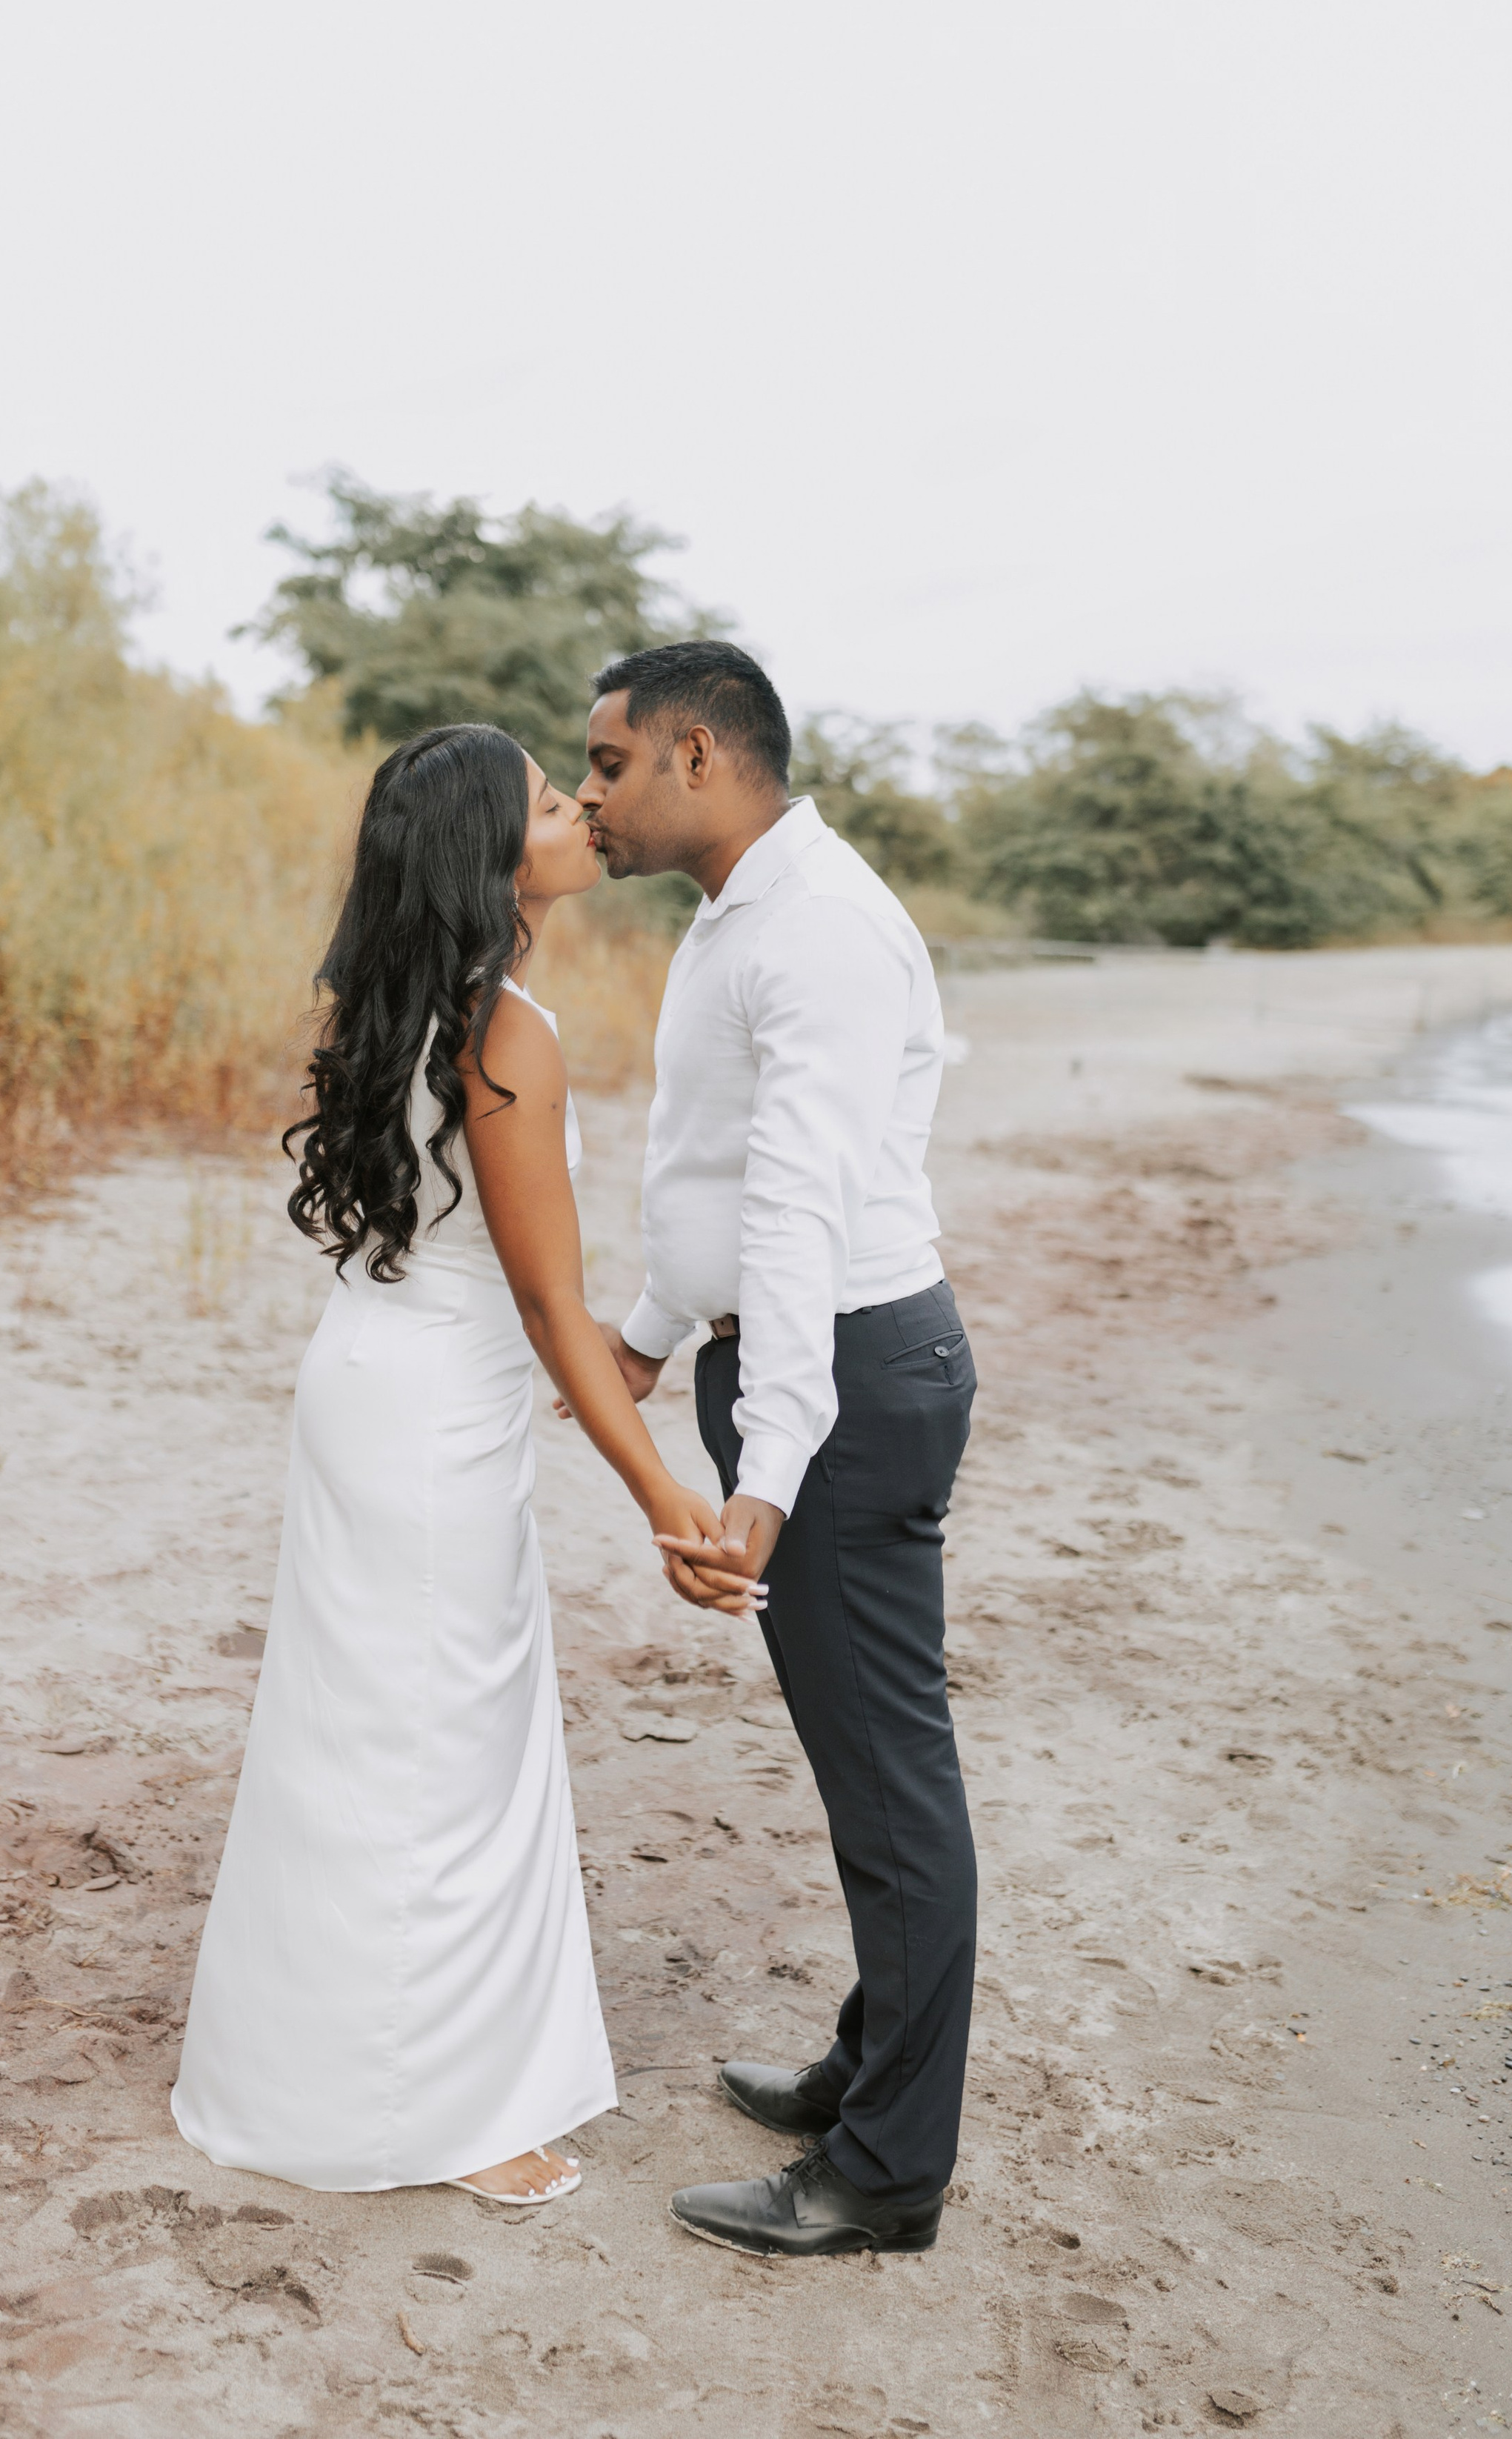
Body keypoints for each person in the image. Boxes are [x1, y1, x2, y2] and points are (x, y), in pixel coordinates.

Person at [171, 723, 756, 2209]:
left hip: (371, 1385)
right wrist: (664, 1498)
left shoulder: (416, 1007)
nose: (579, 808)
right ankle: (435, 2111)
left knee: (356, 1739)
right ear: (489, 857)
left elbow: (524, 1301)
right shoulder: (508, 1030)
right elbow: (553, 1304)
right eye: (550, 801)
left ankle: (332, 2066)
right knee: (436, 1750)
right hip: (426, 1423)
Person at [573, 642, 979, 2258]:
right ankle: (863, 2071)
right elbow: (720, 1169)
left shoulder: (810, 927)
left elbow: (801, 1215)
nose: (587, 795)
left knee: (891, 1788)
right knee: (863, 1771)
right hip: (810, 1368)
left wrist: (762, 1478)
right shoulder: (747, 906)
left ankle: (886, 2174)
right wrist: (650, 1335)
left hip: (847, 1382)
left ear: (691, 753)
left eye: (602, 765)